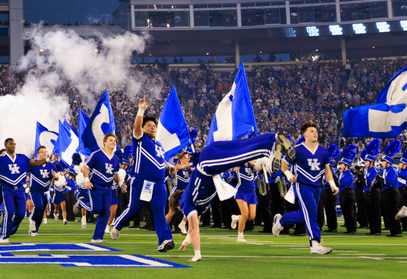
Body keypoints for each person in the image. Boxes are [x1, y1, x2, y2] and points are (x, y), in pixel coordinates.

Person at [173, 133, 284, 261]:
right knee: (241, 147)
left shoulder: (186, 202)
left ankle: (268, 148)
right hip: (211, 162)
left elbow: (192, 226)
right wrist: (188, 239)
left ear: (178, 205)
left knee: (240, 156)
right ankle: (273, 138)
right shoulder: (195, 202)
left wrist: (197, 254)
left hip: (207, 165)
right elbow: (194, 224)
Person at [108, 97, 176, 251]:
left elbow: (158, 160)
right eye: (149, 125)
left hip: (159, 183)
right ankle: (118, 224)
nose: (152, 127)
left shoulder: (158, 144)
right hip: (142, 181)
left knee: (159, 210)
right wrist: (141, 110)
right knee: (134, 209)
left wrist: (169, 165)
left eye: (154, 126)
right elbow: (137, 127)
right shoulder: (140, 139)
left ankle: (165, 240)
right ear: (144, 128)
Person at [271, 122, 339, 255]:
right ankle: (315, 243)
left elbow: (327, 170)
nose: (315, 133)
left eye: (316, 131)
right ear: (305, 134)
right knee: (312, 214)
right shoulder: (296, 150)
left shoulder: (323, 151)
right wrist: (289, 175)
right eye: (312, 131)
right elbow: (283, 164)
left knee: (306, 215)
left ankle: (282, 220)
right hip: (302, 185)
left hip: (317, 186)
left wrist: (332, 184)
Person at [0, 137, 31, 244]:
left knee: (14, 212)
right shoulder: (0, 162)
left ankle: (7, 229)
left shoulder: (17, 160)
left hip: (13, 189)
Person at [81, 134, 122, 244]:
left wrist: (121, 183)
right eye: (110, 140)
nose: (113, 142)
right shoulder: (97, 154)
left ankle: (97, 237)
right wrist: (86, 180)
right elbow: (85, 167)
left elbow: (115, 174)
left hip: (108, 188)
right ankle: (81, 200)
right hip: (96, 186)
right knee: (97, 209)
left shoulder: (116, 159)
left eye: (114, 140)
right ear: (104, 142)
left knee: (105, 213)